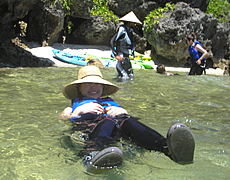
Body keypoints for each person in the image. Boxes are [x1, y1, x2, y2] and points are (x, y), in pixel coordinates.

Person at [60, 65, 195, 174]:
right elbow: (62, 118)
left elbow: (127, 120)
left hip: (118, 129)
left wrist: (124, 112)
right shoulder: (74, 107)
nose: (94, 86)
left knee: (128, 122)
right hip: (93, 130)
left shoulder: (110, 103)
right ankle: (91, 156)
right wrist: (76, 112)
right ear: (79, 87)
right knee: (108, 122)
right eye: (88, 83)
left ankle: (167, 148)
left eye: (98, 83)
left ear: (103, 87)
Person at [111, 11, 142, 79]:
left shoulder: (129, 31)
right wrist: (116, 55)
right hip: (121, 55)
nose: (134, 24)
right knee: (124, 77)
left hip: (126, 55)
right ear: (129, 22)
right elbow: (112, 41)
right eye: (133, 23)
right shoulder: (122, 29)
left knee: (131, 75)